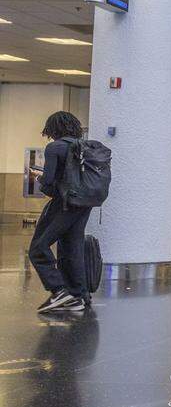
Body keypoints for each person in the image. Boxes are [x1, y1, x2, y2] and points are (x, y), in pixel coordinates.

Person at [28, 111, 92, 313]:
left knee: (38, 248)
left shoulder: (54, 148)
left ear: (53, 128)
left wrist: (39, 177)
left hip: (64, 204)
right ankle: (79, 296)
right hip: (83, 205)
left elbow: (48, 185)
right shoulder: (84, 147)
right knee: (72, 248)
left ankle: (59, 291)